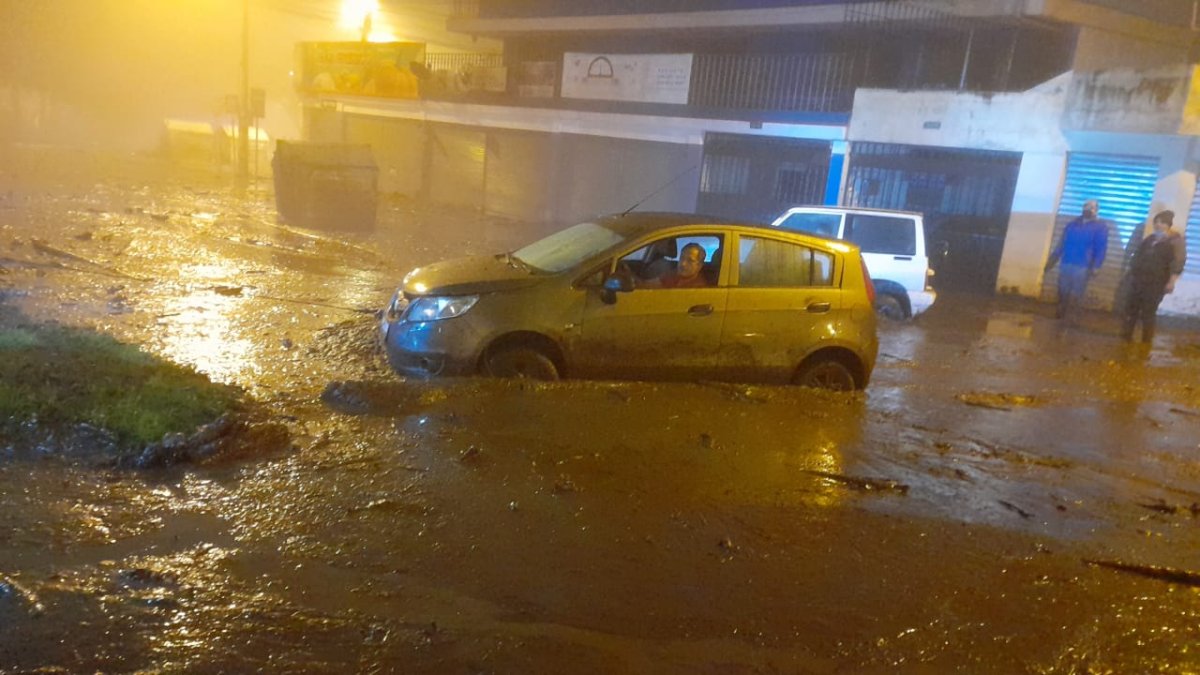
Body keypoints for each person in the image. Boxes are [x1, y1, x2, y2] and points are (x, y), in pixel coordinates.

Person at [1121, 209, 1186, 344]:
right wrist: (1130, 271)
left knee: (1148, 312)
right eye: (1156, 222)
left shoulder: (1175, 242)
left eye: (1162, 222)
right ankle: (1126, 337)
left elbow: (1178, 263)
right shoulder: (1149, 239)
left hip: (1157, 283)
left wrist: (1171, 282)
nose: (1158, 225)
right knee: (1132, 309)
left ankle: (1146, 340)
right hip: (1139, 280)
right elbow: (1137, 256)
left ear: (1168, 225)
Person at [1044, 199, 1108, 320]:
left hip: (1083, 265)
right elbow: (1061, 243)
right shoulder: (1072, 225)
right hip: (1066, 262)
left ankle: (1073, 317)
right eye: (1086, 206)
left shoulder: (1100, 227)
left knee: (1077, 293)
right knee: (1062, 290)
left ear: (1096, 210)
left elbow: (1101, 248)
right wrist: (1052, 260)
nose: (1088, 209)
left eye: (1091, 207)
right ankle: (1061, 314)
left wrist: (1096, 266)